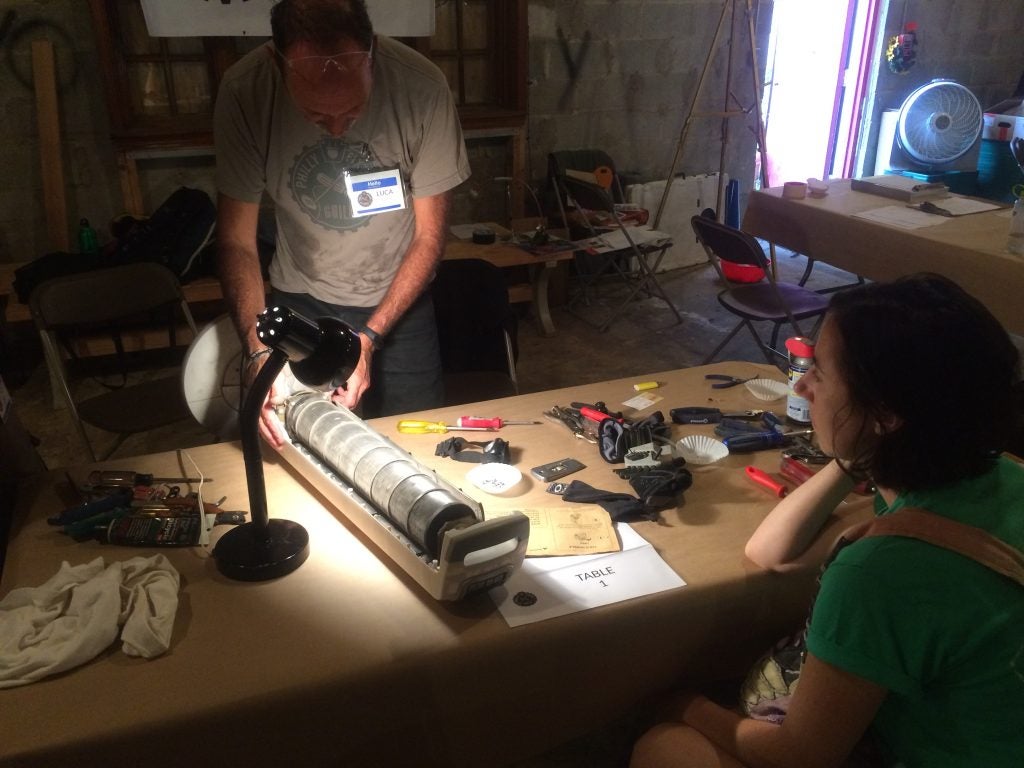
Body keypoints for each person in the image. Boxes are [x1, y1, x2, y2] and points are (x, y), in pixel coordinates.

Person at [631, 273, 1024, 768]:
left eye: (818, 371)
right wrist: (855, 449)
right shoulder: (1000, 472)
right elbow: (768, 551)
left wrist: (686, 706)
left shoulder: (879, 572)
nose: (801, 385)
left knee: (666, 746)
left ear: (885, 413)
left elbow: (799, 755)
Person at [214, 0, 470, 445]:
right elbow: (237, 241)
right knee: (306, 440)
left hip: (397, 300)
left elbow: (429, 238)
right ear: (278, 63)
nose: (335, 129)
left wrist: (368, 339)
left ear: (371, 54)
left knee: (417, 440)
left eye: (352, 111)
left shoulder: (422, 88)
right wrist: (257, 351)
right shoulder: (246, 91)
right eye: (316, 115)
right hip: (302, 301)